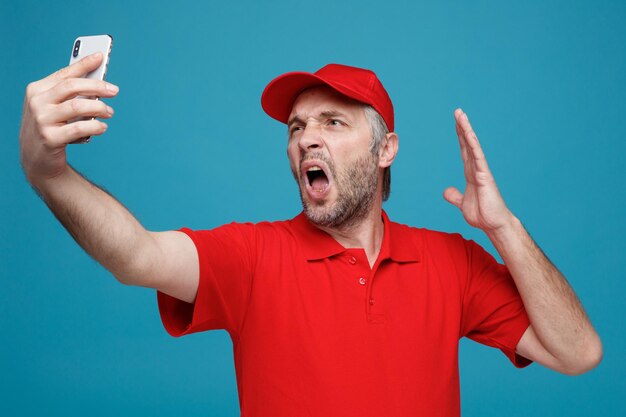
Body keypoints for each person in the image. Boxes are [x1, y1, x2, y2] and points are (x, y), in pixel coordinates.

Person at [20, 53, 602, 417]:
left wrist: (504, 227)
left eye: (333, 122)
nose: (306, 139)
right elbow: (135, 255)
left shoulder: (453, 263)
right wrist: (48, 172)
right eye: (297, 127)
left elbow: (578, 354)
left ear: (386, 150)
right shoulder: (252, 257)